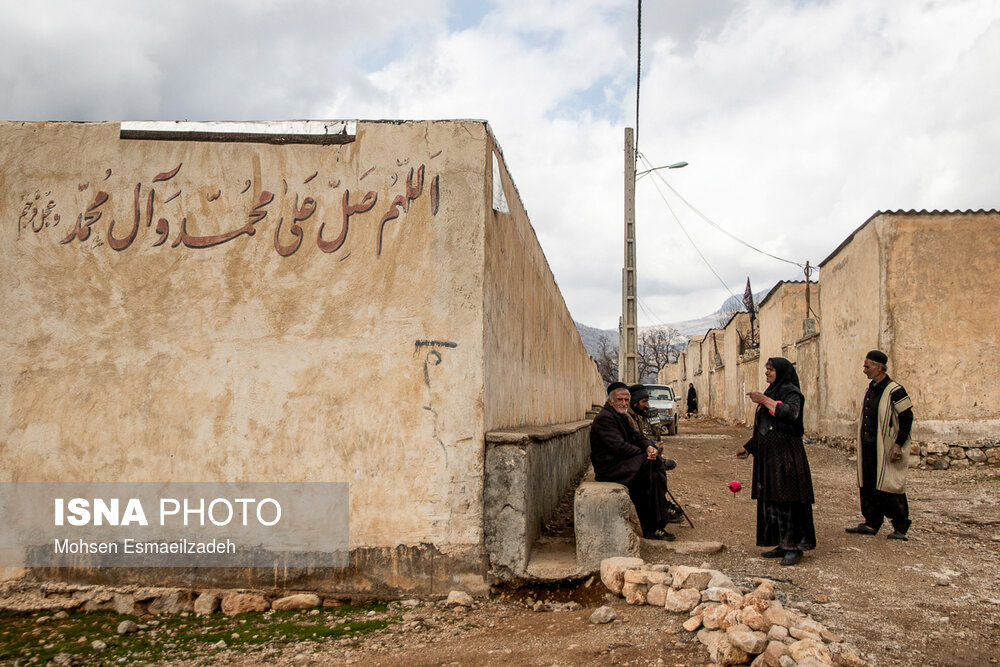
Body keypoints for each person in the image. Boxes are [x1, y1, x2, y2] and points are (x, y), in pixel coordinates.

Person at [736, 357, 816, 566]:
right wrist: (749, 446)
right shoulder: (772, 392)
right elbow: (766, 426)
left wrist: (763, 400)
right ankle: (782, 543)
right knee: (774, 500)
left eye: (771, 370)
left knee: (789, 500)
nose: (767, 373)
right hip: (770, 458)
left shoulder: (791, 392)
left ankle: (795, 546)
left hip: (787, 457)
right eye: (767, 370)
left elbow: (790, 413)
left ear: (781, 371)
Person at [591, 382, 675, 541]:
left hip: (621, 463)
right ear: (610, 400)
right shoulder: (605, 419)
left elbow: (637, 437)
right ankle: (656, 524)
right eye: (620, 399)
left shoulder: (620, 415)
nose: (623, 403)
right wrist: (646, 454)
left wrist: (649, 447)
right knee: (652, 468)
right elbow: (619, 448)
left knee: (652, 476)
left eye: (626, 400)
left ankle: (655, 525)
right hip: (609, 468)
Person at [846, 350, 914, 541]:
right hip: (869, 446)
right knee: (868, 484)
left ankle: (900, 526)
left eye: (867, 366)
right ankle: (871, 522)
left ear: (879, 367)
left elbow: (907, 418)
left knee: (890, 485)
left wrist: (898, 444)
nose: (864, 370)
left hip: (886, 447)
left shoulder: (895, 390)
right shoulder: (872, 388)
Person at [626, 384, 684, 524]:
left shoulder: (636, 416)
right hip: (626, 463)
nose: (648, 405)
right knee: (654, 474)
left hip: (636, 458)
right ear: (634, 403)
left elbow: (640, 439)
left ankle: (662, 506)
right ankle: (657, 517)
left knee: (657, 471)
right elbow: (628, 445)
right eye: (644, 401)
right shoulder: (626, 418)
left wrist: (652, 446)